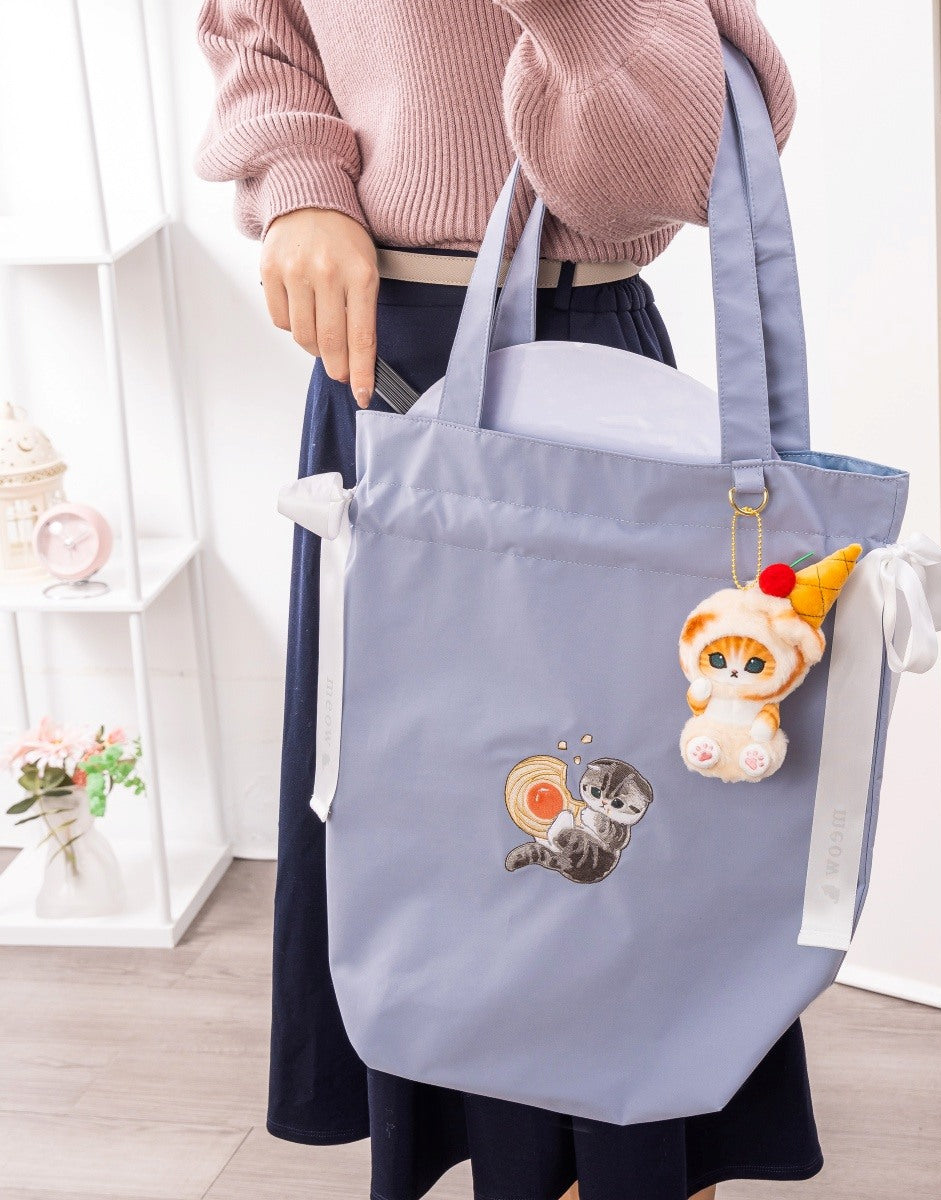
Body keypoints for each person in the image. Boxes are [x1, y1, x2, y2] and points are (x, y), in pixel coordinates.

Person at [196, 3, 823, 1198]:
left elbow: (697, 154)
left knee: (617, 834)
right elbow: (254, 29)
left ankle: (629, 1156)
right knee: (422, 818)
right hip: (378, 362)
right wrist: (300, 182)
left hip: (586, 361)